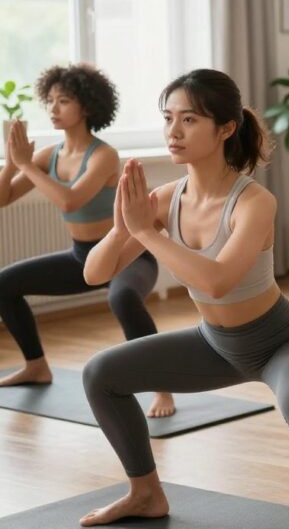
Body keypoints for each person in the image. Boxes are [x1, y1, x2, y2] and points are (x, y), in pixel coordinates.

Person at [78, 69, 289, 527]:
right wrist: (121, 228)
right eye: (168, 118)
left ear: (226, 128)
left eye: (189, 120)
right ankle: (146, 494)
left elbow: (217, 282)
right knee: (100, 374)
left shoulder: (254, 202)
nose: (173, 131)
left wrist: (146, 232)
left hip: (283, 342)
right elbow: (95, 272)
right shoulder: (167, 198)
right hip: (216, 345)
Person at [0, 63, 172, 417]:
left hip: (127, 256)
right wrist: (10, 163)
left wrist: (26, 165)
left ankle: (163, 388)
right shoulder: (50, 155)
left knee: (122, 297)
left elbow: (70, 199)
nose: (53, 108)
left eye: (63, 101)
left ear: (88, 107)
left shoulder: (104, 154)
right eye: (50, 101)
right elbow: (3, 198)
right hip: (82, 257)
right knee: (4, 284)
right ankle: (36, 366)